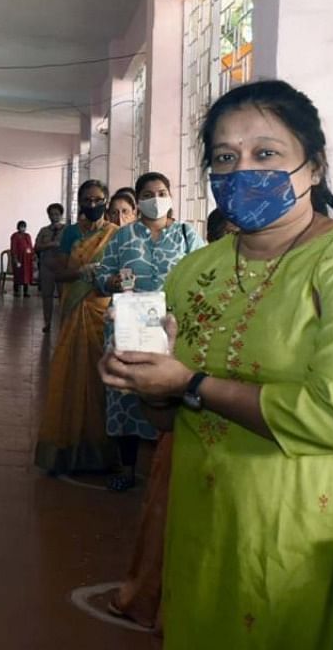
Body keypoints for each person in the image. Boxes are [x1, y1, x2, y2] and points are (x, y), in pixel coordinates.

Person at [98, 80, 333, 648]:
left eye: (266, 154)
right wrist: (148, 385)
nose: (243, 171)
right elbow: (170, 421)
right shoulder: (196, 271)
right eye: (225, 158)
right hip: (205, 524)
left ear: (313, 168)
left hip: (314, 532)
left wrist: (191, 381)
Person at [94, 172, 205, 492]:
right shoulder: (123, 236)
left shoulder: (186, 235)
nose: (155, 198)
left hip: (173, 331)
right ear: (138, 199)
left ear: (170, 196)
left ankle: (167, 471)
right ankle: (128, 469)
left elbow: (204, 276)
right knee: (126, 396)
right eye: (147, 193)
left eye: (161, 192)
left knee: (171, 395)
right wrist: (112, 282)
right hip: (129, 328)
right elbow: (101, 277)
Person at [34, 179, 119, 475]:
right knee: (70, 374)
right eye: (87, 200)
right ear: (80, 202)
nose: (92, 205)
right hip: (74, 308)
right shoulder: (70, 232)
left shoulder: (116, 235)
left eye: (98, 199)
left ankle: (101, 451)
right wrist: (79, 272)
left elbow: (124, 273)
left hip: (104, 313)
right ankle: (67, 447)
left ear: (106, 201)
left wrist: (105, 278)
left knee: (100, 377)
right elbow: (56, 270)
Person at [35, 203, 67, 332]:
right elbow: (36, 246)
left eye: (57, 214)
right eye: (52, 214)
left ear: (61, 215)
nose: (54, 217)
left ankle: (64, 323)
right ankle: (47, 322)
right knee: (46, 296)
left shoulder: (67, 230)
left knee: (63, 296)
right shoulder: (44, 230)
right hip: (46, 266)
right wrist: (50, 244)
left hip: (62, 267)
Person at [10, 220, 36, 297]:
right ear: (18, 227)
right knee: (18, 275)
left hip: (27, 259)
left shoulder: (27, 236)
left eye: (24, 227)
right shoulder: (15, 236)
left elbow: (31, 246)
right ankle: (16, 291)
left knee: (26, 275)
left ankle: (25, 292)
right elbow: (13, 248)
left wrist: (32, 254)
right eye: (21, 227)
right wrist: (15, 259)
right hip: (18, 258)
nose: (23, 228)